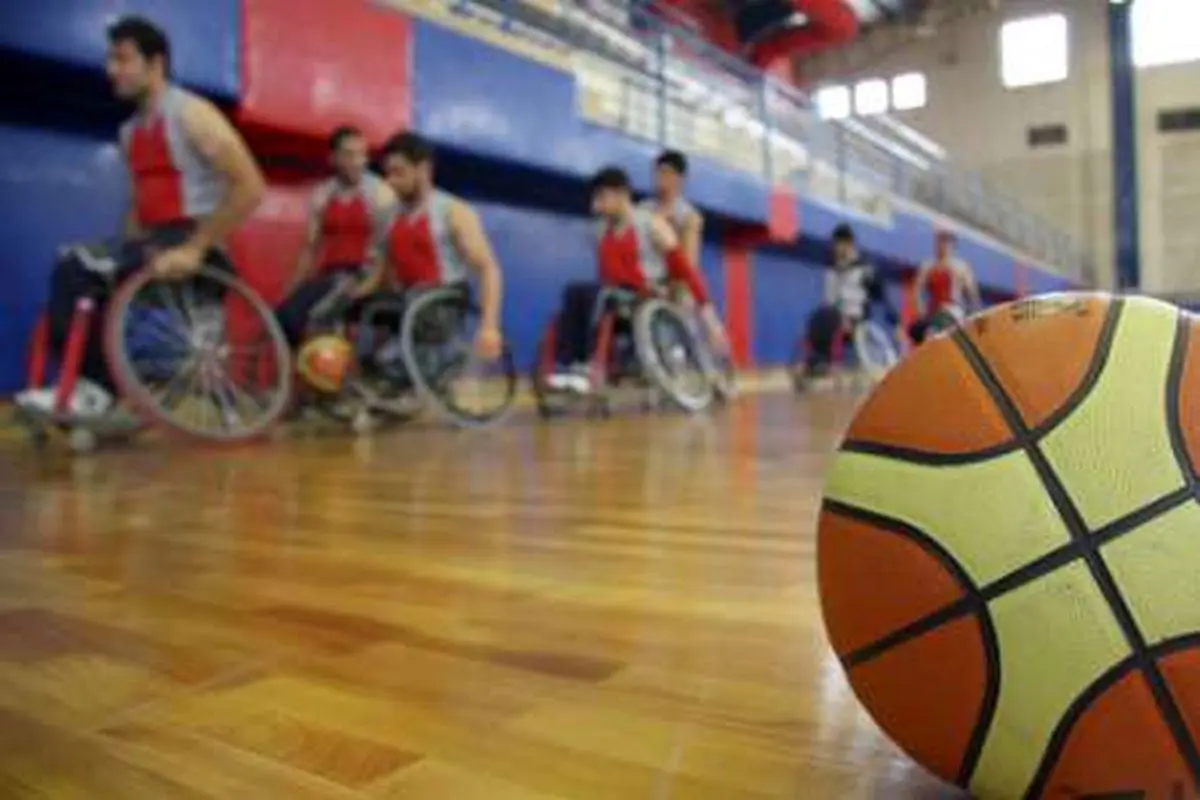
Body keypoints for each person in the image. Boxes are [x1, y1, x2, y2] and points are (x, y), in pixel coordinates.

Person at [14, 16, 265, 418]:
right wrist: (121, 253)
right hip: (153, 244)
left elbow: (250, 187)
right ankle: (97, 386)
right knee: (81, 269)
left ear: (155, 63)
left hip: (196, 247)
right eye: (110, 59)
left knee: (76, 267)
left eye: (122, 59)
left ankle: (96, 392)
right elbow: (137, 207)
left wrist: (196, 248)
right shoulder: (130, 133)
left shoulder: (192, 114)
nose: (111, 69)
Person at [545, 166, 727, 393]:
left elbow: (686, 271)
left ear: (621, 194)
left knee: (599, 294)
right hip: (615, 296)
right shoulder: (600, 231)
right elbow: (604, 274)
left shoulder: (652, 224)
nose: (595, 206)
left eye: (601, 198)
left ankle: (584, 365)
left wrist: (710, 319)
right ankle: (568, 365)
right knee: (574, 290)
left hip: (646, 296)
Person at [367, 132, 503, 359]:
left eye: (399, 173)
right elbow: (384, 272)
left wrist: (489, 327)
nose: (391, 181)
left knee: (414, 299)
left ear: (423, 169)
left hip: (442, 304)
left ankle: (427, 354)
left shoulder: (454, 211)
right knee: (362, 306)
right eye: (388, 174)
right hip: (408, 302)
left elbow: (488, 269)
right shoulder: (389, 215)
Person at [275, 126, 394, 347]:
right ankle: (297, 361)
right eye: (349, 154)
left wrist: (368, 285)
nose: (357, 161)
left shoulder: (380, 194)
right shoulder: (323, 194)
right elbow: (309, 249)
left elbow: (388, 251)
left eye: (362, 154)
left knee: (317, 316)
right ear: (333, 158)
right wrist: (291, 291)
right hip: (331, 276)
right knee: (284, 315)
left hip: (361, 275)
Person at [801, 223, 899, 377]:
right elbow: (829, 298)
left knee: (829, 316)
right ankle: (817, 361)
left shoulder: (865, 267)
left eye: (838, 244)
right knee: (818, 317)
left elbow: (881, 296)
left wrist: (895, 321)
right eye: (834, 245)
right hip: (835, 314)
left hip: (857, 318)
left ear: (849, 244)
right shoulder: (832, 269)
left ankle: (821, 361)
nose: (835, 248)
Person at [908, 230, 981, 344]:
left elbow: (972, 295)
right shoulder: (928, 266)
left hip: (953, 311)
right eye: (940, 242)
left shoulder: (960, 267)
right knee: (916, 332)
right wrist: (920, 313)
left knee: (943, 329)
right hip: (933, 312)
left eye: (946, 242)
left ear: (952, 246)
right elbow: (917, 289)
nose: (943, 246)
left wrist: (973, 314)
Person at [641, 150, 703, 268]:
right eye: (659, 173)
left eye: (667, 173)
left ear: (680, 179)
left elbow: (689, 264)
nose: (661, 178)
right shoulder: (643, 209)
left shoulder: (689, 217)